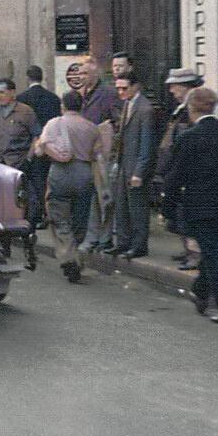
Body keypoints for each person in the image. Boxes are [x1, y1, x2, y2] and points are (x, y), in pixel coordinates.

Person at [163, 87, 218, 325]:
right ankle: (200, 291)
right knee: (215, 252)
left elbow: (175, 176)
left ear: (191, 109)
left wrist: (167, 208)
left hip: (201, 208)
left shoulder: (188, 137)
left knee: (214, 257)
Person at [33, 91, 103, 283]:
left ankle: (68, 256)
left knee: (59, 216)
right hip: (84, 174)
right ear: (81, 106)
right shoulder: (92, 128)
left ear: (63, 106)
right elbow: (98, 153)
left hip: (60, 173)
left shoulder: (54, 123)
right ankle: (75, 248)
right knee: (80, 216)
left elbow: (39, 151)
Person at [156, 67, 204, 270]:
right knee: (179, 213)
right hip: (175, 167)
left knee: (187, 214)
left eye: (175, 87)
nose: (172, 91)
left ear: (186, 87)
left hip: (184, 169)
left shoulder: (191, 110)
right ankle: (188, 251)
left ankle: (195, 255)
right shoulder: (181, 109)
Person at [77, 57, 121, 252]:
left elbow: (118, 122)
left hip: (103, 153)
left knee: (104, 196)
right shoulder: (81, 94)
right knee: (91, 198)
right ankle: (93, 237)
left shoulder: (109, 94)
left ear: (95, 74)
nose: (81, 77)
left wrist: (107, 131)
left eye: (85, 73)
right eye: (80, 73)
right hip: (86, 153)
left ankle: (105, 238)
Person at [109, 72, 155, 259]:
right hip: (123, 163)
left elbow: (146, 144)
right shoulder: (127, 104)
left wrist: (139, 171)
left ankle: (139, 245)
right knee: (121, 206)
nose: (120, 92)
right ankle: (123, 242)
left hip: (135, 165)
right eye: (118, 88)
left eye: (124, 88)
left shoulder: (145, 109)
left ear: (136, 87)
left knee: (137, 208)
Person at [0, 78, 43, 224]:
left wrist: (29, 158)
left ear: (12, 93)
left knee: (23, 200)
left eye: (2, 92)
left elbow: (37, 136)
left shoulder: (25, 112)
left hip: (18, 163)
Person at [17, 66, 60, 229]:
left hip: (29, 146)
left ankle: (34, 213)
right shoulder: (54, 98)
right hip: (50, 145)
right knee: (45, 180)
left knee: (31, 181)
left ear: (28, 78)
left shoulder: (22, 99)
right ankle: (47, 213)